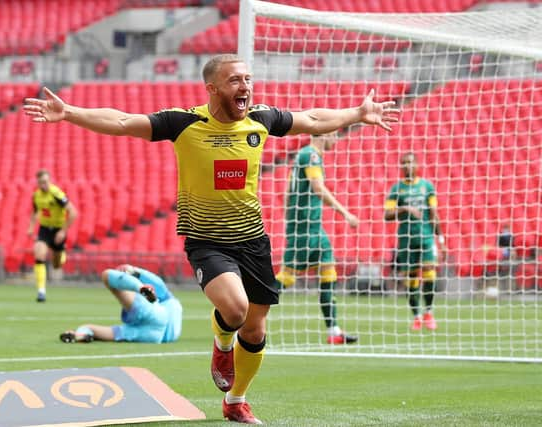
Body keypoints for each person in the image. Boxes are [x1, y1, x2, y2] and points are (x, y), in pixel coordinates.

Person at [24, 54, 399, 424]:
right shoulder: (183, 123)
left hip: (253, 240)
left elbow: (313, 119)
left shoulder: (261, 119)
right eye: (236, 80)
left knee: (255, 327)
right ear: (213, 87)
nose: (245, 86)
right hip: (206, 240)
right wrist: (70, 112)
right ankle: (222, 347)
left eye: (248, 79)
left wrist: (358, 113)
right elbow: (123, 121)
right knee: (235, 311)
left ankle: (236, 401)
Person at [275, 132, 359, 344]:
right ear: (326, 133)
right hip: (304, 229)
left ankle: (334, 331)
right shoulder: (311, 156)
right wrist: (345, 213)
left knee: (328, 270)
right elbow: (318, 188)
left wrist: (289, 217)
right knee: (286, 278)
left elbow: (286, 192)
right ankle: (248, 313)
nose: (336, 140)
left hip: (312, 228)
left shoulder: (301, 156)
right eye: (335, 135)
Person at [384, 152, 446, 331]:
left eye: (410, 162)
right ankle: (417, 316)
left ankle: (428, 312)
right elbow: (387, 215)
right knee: (410, 278)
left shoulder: (427, 187)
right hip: (406, 240)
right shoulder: (397, 189)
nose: (407, 166)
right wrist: (404, 208)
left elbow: (434, 214)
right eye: (404, 163)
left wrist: (440, 239)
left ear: (417, 165)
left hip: (426, 237)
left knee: (429, 273)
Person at [60, 264, 182, 344]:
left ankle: (139, 287)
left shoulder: (166, 300)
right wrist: (137, 272)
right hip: (155, 337)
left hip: (153, 321)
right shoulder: (173, 305)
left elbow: (158, 284)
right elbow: (158, 283)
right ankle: (81, 334)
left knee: (106, 274)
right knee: (98, 330)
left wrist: (136, 272)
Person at [27, 169, 78, 302]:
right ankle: (41, 291)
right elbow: (34, 212)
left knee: (56, 265)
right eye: (40, 182)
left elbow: (73, 212)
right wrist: (31, 228)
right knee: (39, 253)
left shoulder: (57, 194)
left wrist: (63, 231)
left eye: (45, 182)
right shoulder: (36, 196)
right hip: (44, 229)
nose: (43, 185)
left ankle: (62, 254)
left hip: (58, 230)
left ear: (49, 181)